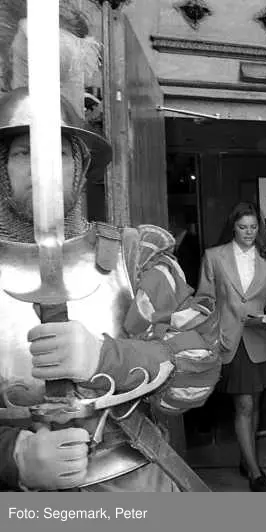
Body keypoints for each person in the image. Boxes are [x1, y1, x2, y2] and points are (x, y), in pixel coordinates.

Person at [0, 88, 220, 491]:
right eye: (23, 153)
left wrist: (107, 357)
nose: (43, 168)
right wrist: (11, 457)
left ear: (80, 166)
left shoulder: (134, 256)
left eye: (59, 154)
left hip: (136, 480)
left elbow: (200, 363)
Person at [196, 201, 266, 492]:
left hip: (258, 339)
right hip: (228, 339)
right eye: (243, 227)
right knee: (244, 403)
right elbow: (204, 299)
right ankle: (256, 473)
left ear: (259, 229)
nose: (248, 232)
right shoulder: (214, 256)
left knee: (255, 402)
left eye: (253, 227)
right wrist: (206, 332)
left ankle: (247, 459)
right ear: (233, 226)